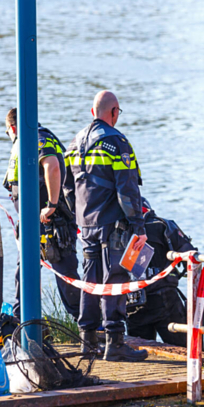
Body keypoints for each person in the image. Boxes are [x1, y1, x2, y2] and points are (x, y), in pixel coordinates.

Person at [65, 90, 148, 362]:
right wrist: (138, 225)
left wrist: (79, 216)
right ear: (114, 112)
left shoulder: (73, 143)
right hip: (113, 225)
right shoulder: (117, 142)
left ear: (93, 112)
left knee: (89, 281)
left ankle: (87, 342)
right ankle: (115, 343)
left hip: (85, 224)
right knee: (115, 278)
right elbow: (127, 189)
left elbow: (67, 188)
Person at [2, 108, 80, 319]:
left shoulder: (37, 139)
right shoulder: (25, 143)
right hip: (32, 223)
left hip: (52, 223)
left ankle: (90, 328)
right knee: (24, 272)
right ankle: (20, 322)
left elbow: (52, 167)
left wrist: (52, 205)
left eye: (8, 133)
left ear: (13, 127)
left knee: (65, 274)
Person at [126, 200, 197, 346]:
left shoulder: (115, 230)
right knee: (184, 349)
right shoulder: (163, 225)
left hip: (133, 301)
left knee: (142, 353)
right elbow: (191, 257)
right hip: (165, 300)